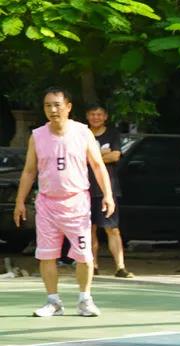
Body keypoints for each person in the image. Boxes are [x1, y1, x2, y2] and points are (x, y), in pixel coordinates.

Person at [13, 87, 115, 317]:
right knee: (47, 255)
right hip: (47, 204)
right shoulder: (37, 136)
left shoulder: (83, 133)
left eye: (57, 105)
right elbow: (29, 171)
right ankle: (53, 301)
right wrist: (20, 201)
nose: (53, 110)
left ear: (68, 107)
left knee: (84, 255)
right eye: (48, 105)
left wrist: (108, 195)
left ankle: (85, 300)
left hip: (76, 203)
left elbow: (98, 165)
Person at [85, 104, 134, 278]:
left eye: (99, 114)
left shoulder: (113, 134)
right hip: (84, 189)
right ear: (87, 116)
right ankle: (93, 266)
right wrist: (102, 154)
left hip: (107, 190)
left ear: (105, 116)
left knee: (112, 229)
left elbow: (115, 155)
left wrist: (92, 156)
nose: (96, 117)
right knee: (89, 229)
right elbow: (79, 158)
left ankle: (120, 267)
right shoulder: (82, 134)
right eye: (92, 114)